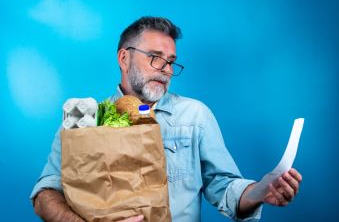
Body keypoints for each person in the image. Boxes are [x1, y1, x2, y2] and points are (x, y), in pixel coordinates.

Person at [31, 16, 302, 222]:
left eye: (171, 61)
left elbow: (224, 187)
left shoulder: (195, 116)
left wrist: (260, 190)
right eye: (155, 58)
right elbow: (46, 193)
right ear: (124, 59)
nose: (166, 70)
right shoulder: (83, 120)